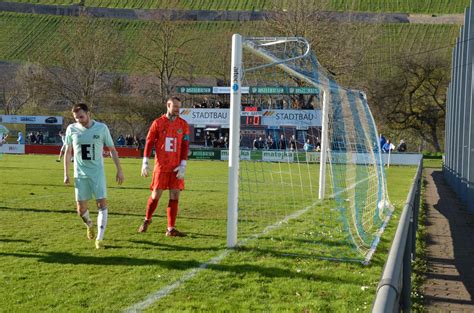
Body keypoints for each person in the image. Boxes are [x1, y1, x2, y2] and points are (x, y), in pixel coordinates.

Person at [63, 103, 124, 249]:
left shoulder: (101, 128)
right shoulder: (71, 129)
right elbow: (68, 152)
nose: (79, 120)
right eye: (76, 118)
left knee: (101, 204)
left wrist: (119, 169)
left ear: (88, 113)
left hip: (97, 174)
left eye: (81, 117)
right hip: (80, 175)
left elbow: (112, 149)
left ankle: (99, 238)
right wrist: (66, 173)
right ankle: (89, 224)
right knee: (80, 209)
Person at [138, 96, 190, 236]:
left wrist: (183, 164)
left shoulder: (183, 124)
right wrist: (145, 161)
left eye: (179, 107)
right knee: (155, 196)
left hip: (176, 167)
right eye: (175, 106)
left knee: (175, 195)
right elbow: (149, 142)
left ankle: (170, 229)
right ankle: (147, 220)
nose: (178, 109)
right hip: (161, 166)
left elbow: (185, 145)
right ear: (168, 105)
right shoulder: (158, 123)